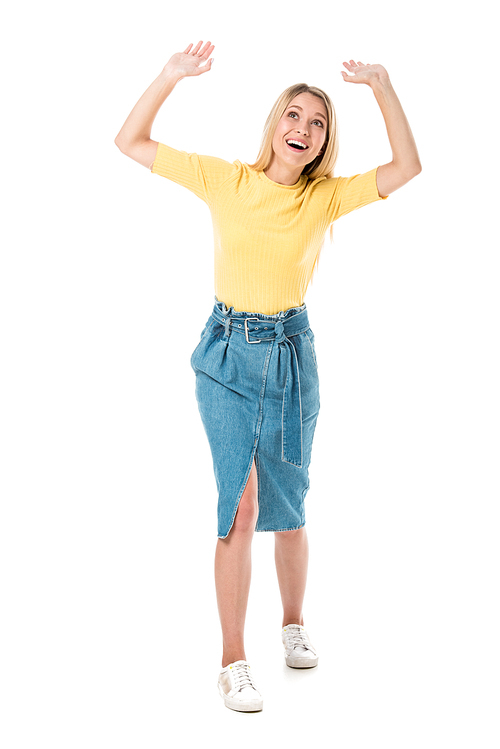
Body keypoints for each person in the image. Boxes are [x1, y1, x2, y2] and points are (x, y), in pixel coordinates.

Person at [114, 40, 421, 713]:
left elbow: (407, 166)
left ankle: (292, 622)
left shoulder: (325, 199)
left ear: (322, 143)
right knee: (241, 504)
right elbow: (130, 141)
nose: (304, 129)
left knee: (288, 504)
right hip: (227, 356)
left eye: (318, 123)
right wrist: (169, 74)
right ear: (274, 122)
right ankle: (232, 660)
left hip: (291, 354)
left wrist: (383, 85)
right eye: (296, 115)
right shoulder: (226, 179)